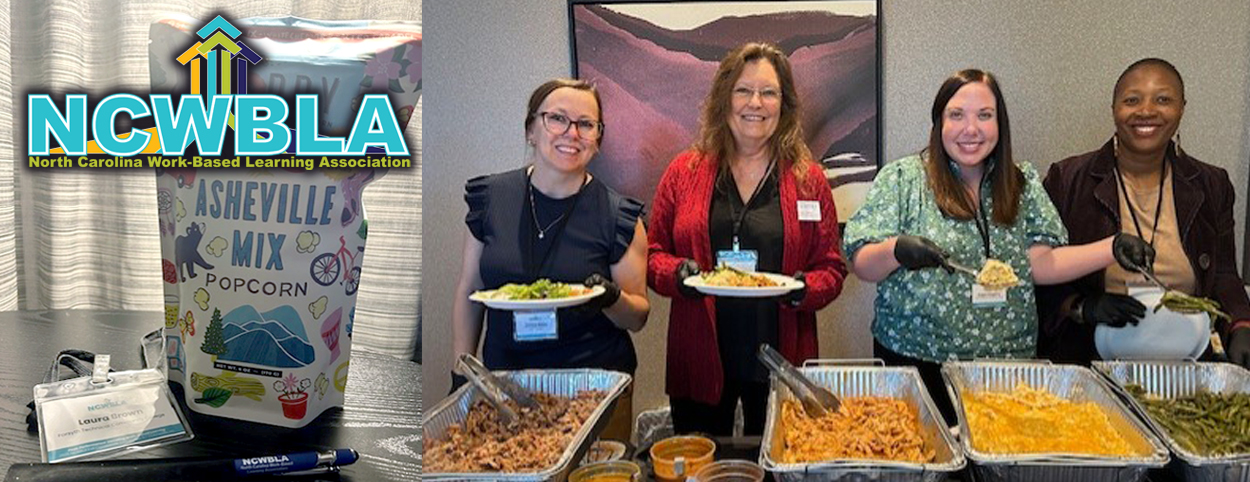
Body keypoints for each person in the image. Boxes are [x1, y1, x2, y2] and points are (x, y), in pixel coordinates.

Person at [841, 69, 1153, 424]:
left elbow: (1041, 263)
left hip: (1005, 368)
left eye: (984, 116)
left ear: (999, 124)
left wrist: (1112, 248)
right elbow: (861, 262)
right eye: (956, 115)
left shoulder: (1021, 183)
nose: (970, 129)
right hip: (916, 363)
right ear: (939, 122)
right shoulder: (903, 179)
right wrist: (896, 250)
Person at [647, 42, 847, 436]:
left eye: (769, 92)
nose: (756, 102)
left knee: (780, 464)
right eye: (743, 90)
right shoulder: (683, 171)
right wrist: (679, 274)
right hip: (700, 356)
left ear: (783, 104)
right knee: (703, 467)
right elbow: (653, 255)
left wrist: (805, 289)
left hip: (780, 356)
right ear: (724, 98)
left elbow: (832, 267)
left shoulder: (809, 179)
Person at [451, 78, 650, 441]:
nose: (571, 133)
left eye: (586, 124)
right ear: (531, 130)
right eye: (557, 119)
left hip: (595, 392)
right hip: (503, 388)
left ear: (598, 139)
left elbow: (637, 316)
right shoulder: (491, 199)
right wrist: (462, 369)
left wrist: (609, 297)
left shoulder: (620, 216)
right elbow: (470, 287)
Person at [1037, 58, 1250, 368]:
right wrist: (1082, 307)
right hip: (1091, 357)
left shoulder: (1212, 184)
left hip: (1188, 356)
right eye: (1132, 100)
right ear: (1114, 109)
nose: (1147, 110)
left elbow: (1225, 274)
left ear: (1182, 108)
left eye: (1163, 99)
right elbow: (1041, 275)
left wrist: (1242, 325)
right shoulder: (1067, 179)